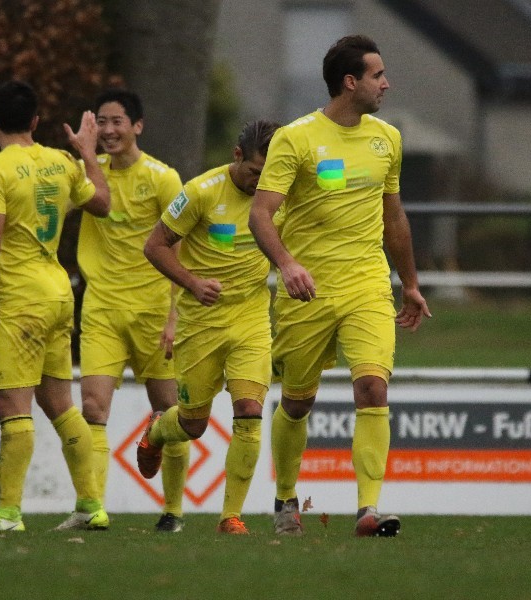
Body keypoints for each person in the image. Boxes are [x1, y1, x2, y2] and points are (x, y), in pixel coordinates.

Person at [248, 34, 432, 537]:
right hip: (306, 291)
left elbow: (393, 217)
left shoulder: (386, 138)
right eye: (378, 75)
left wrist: (410, 283)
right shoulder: (296, 138)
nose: (386, 84)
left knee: (373, 387)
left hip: (367, 285)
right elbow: (260, 214)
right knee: (297, 401)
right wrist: (286, 263)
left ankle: (368, 509)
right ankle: (286, 499)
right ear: (350, 83)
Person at [0, 80, 110, 531]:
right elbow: (103, 204)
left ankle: (8, 513)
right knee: (60, 404)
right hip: (59, 293)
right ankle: (91, 506)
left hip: (22, 300)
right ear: (36, 121)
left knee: (12, 406)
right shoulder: (62, 162)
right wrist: (88, 151)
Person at [139, 120, 281, 534]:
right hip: (201, 323)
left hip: (252, 317)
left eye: (268, 174)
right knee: (193, 425)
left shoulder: (278, 196)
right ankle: (157, 432)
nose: (261, 182)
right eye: (255, 172)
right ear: (237, 157)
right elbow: (154, 245)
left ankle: (230, 516)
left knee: (250, 411)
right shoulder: (200, 192)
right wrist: (192, 282)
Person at [75, 89, 190, 532]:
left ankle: (173, 511)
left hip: (153, 311)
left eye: (117, 121)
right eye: (101, 122)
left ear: (137, 126)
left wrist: (175, 316)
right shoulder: (88, 174)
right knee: (92, 408)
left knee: (170, 411)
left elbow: (183, 249)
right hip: (102, 307)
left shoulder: (163, 178)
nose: (108, 131)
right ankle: (94, 508)